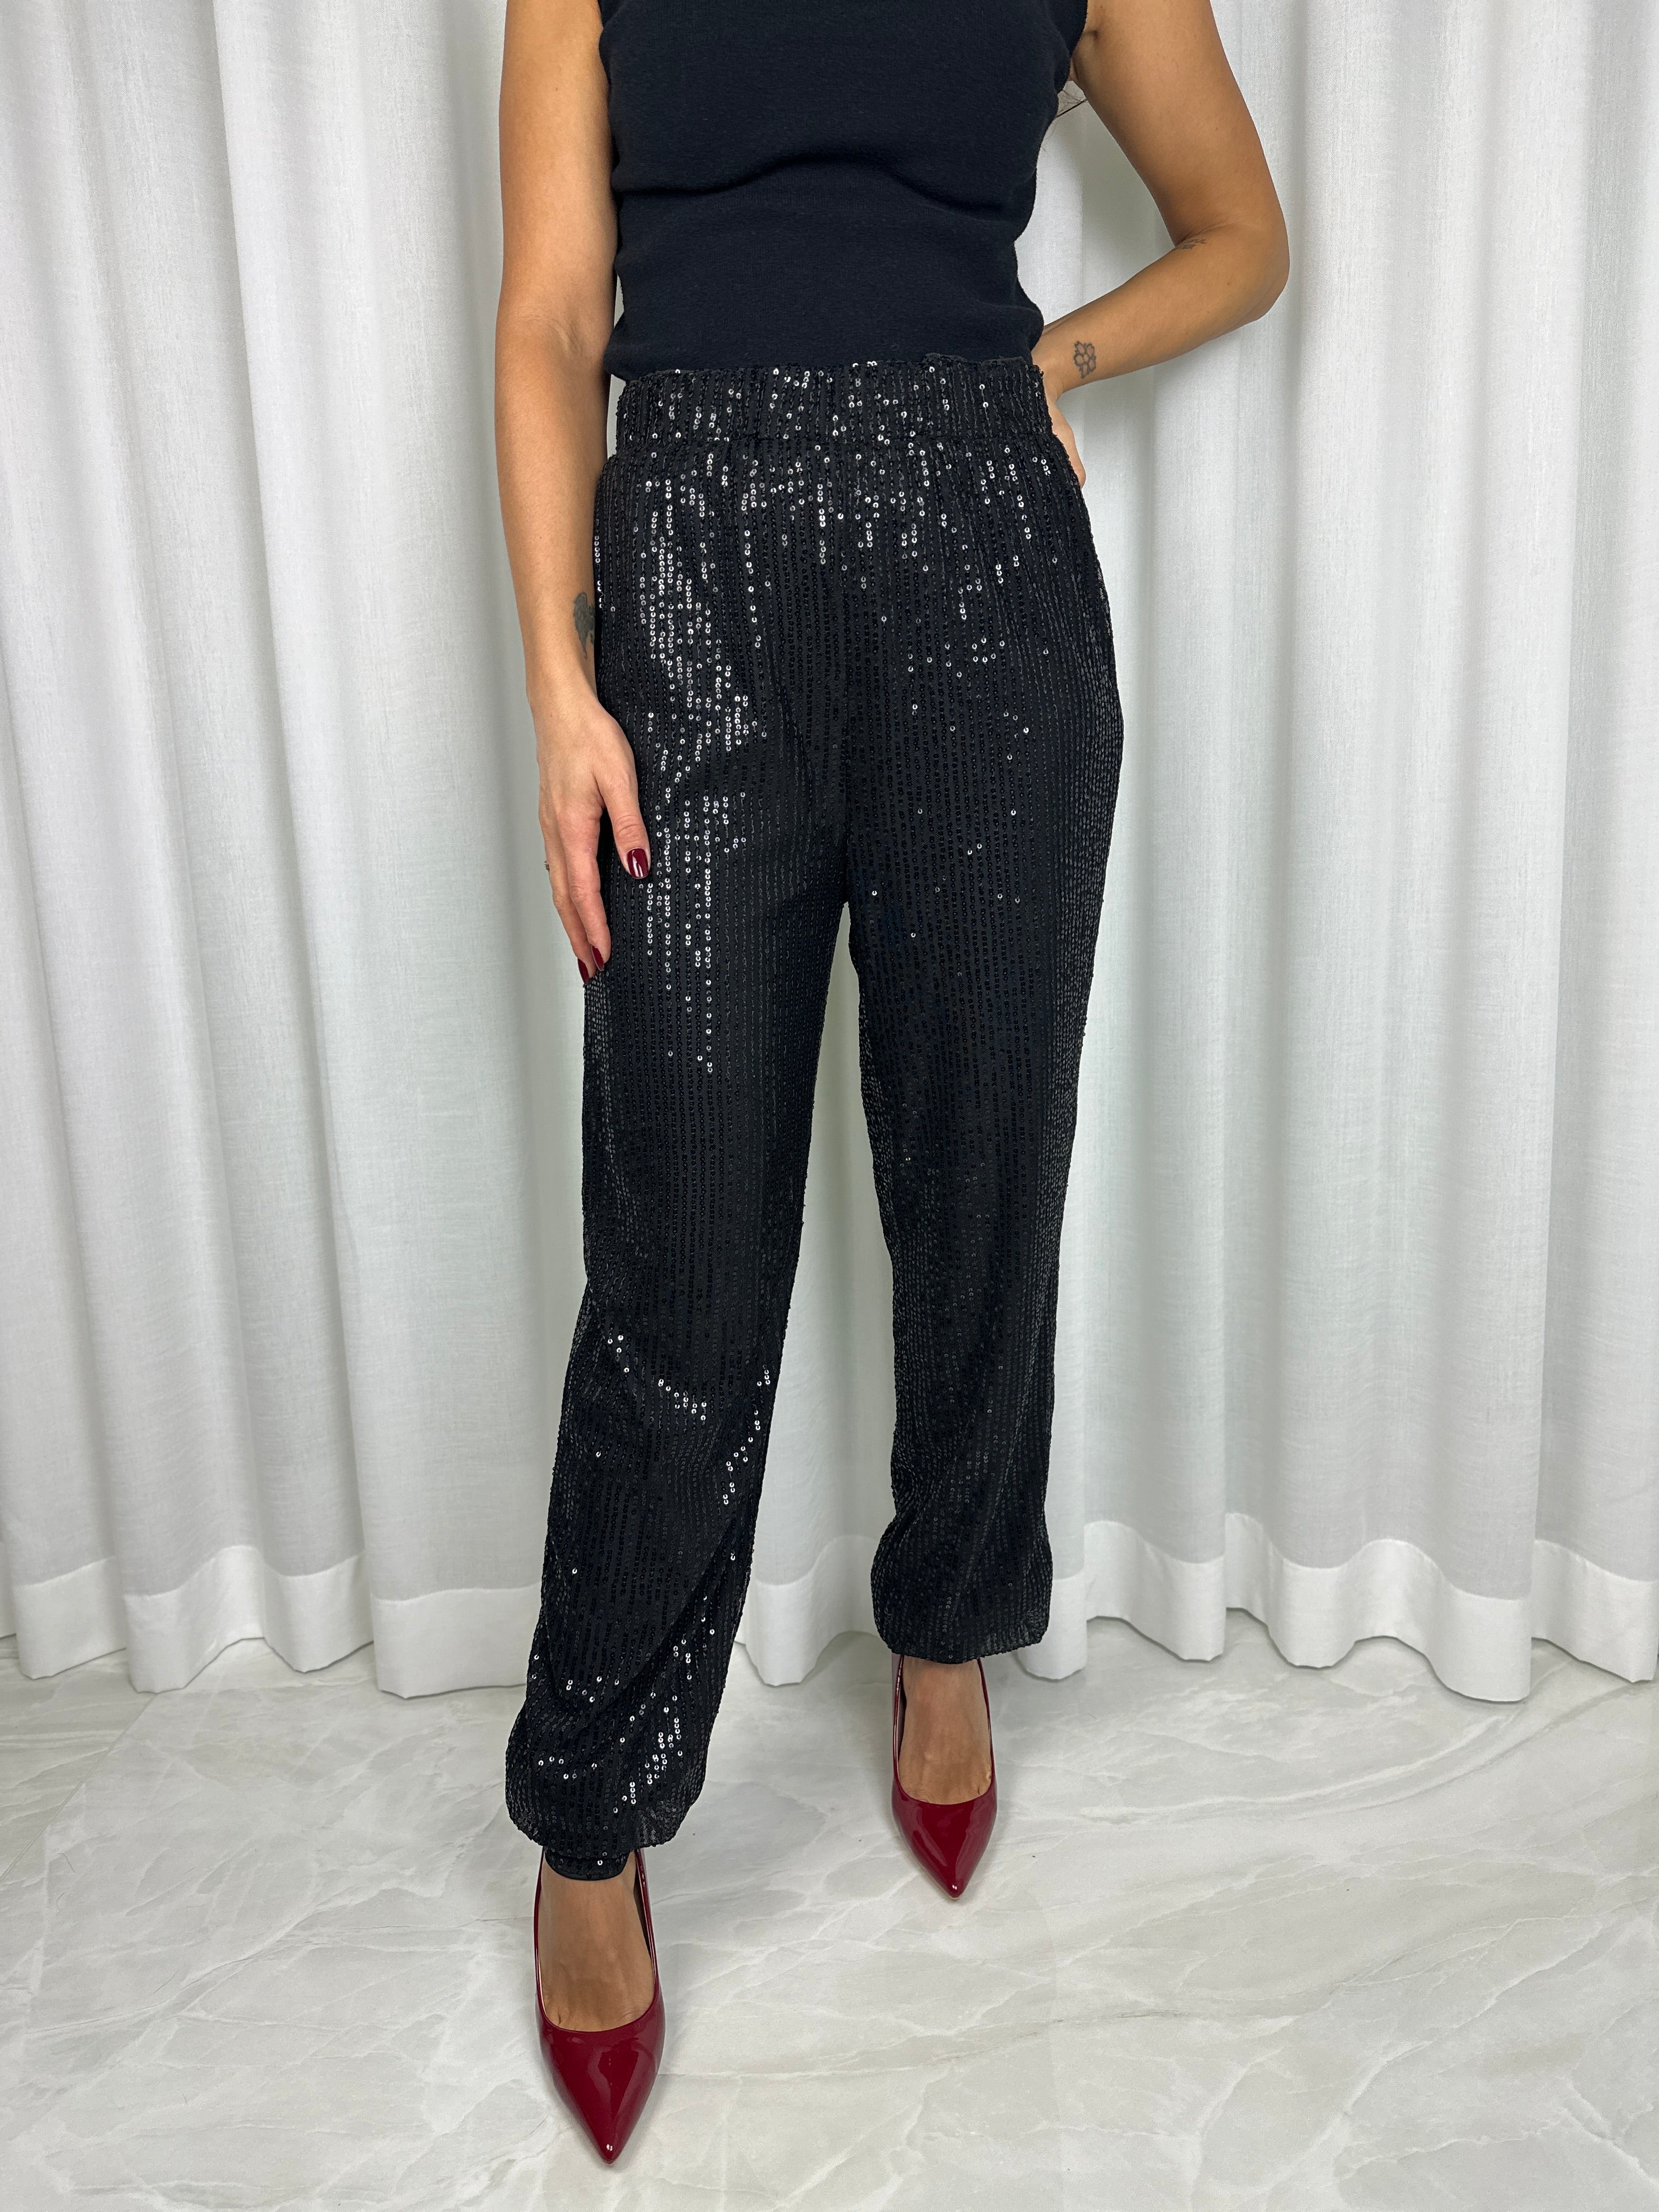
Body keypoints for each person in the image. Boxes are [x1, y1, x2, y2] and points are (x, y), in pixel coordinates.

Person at [493, 0, 1287, 2162]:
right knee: (680, 1253)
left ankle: (949, 1623)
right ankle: (590, 1817)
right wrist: (563, 683)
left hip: (983, 571)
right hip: (687, 574)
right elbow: (553, 313)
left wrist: (1055, 364)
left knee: (982, 1171)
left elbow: (1242, 231)